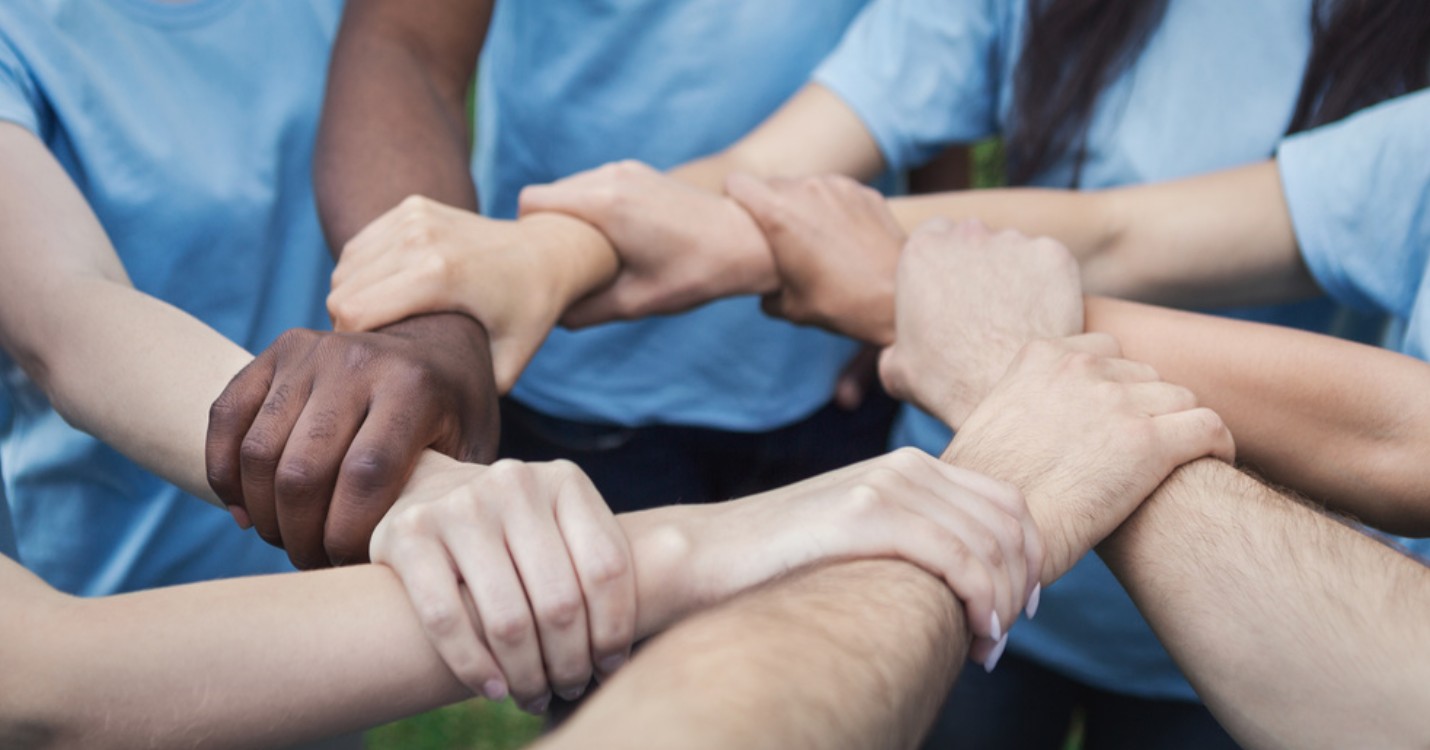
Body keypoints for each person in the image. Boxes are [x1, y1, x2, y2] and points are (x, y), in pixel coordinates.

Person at [321, 1, 1428, 743]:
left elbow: (1400, 435)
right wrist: (558, 249)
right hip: (995, 543)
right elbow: (1105, 233)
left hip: (1260, 617)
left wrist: (919, 303)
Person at [213, 0, 902, 562]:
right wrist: (432, 319)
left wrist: (896, 284)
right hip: (583, 380)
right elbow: (405, 42)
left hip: (832, 360)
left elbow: (922, 67)